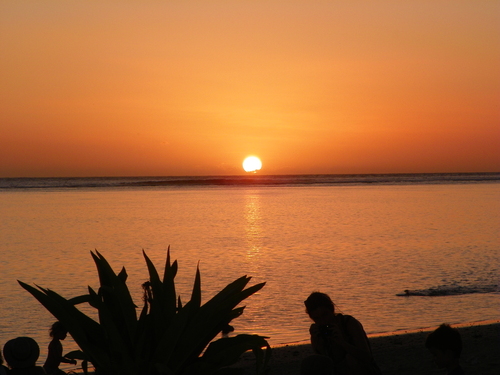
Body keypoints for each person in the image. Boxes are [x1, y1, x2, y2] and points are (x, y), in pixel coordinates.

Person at [302, 292, 381, 375]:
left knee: (351, 359)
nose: (322, 321)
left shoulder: (348, 323)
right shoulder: (318, 329)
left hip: (362, 370)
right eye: (316, 318)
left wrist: (342, 342)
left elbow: (366, 356)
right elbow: (322, 359)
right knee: (310, 362)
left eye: (325, 315)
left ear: (331, 309)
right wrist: (317, 341)